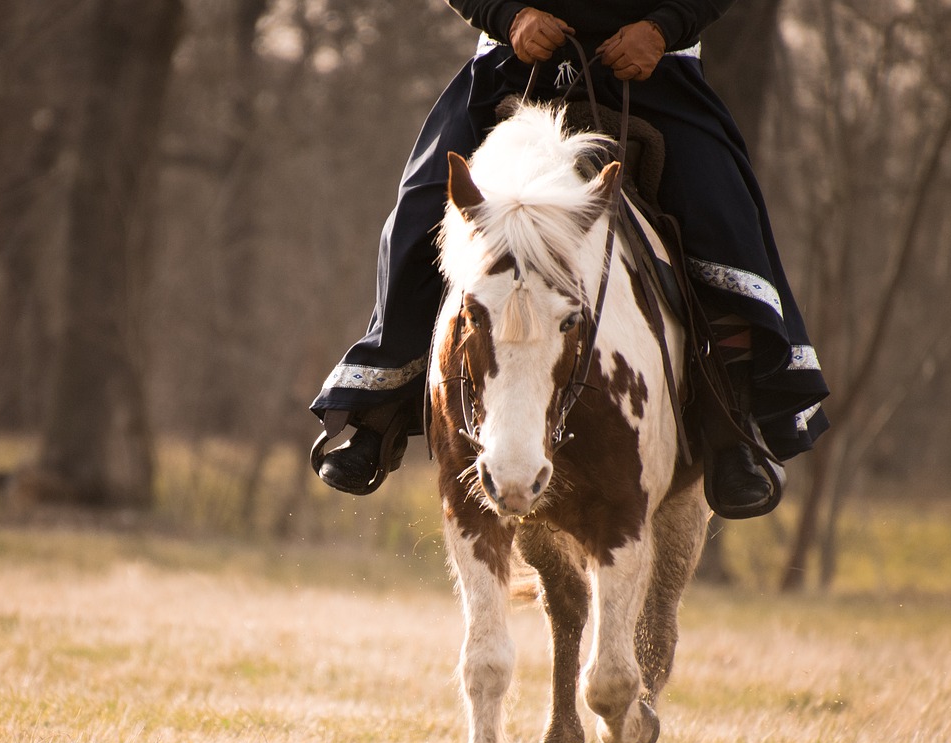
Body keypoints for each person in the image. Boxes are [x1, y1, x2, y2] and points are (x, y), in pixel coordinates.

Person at [311, 1, 829, 519]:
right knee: (417, 214)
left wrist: (663, 27)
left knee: (727, 222)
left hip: (656, 75)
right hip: (513, 70)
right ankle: (381, 411)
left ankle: (730, 429)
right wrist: (506, 15)